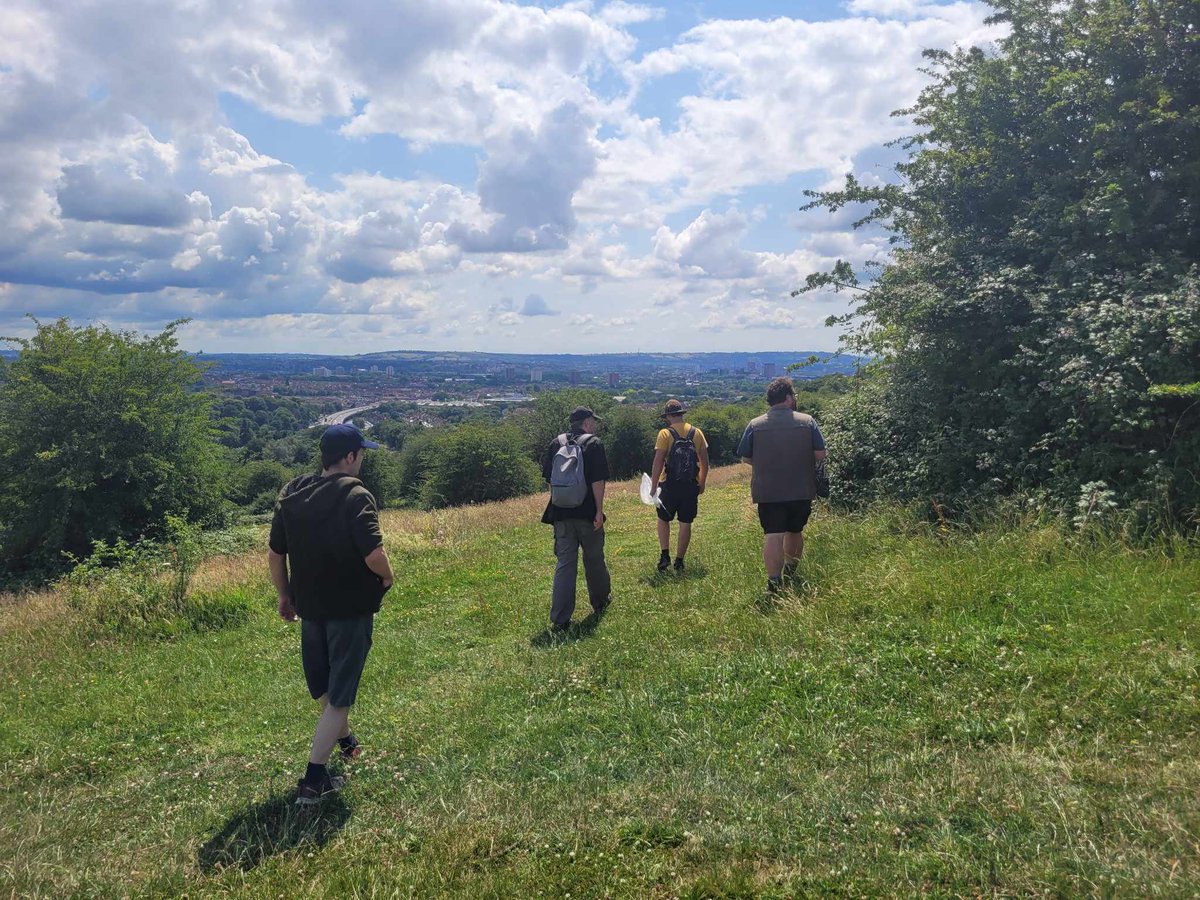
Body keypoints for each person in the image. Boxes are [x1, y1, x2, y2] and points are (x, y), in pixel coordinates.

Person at [268, 423, 395, 805]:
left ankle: (347, 742)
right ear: (351, 456)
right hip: (350, 607)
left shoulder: (293, 491)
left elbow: (276, 554)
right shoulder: (355, 494)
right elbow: (374, 555)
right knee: (340, 694)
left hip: (310, 606)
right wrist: (388, 578)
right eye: (362, 454)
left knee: (323, 686)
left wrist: (284, 595)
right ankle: (313, 780)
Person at [736, 377, 828, 596]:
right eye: (793, 395)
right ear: (788, 398)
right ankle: (791, 570)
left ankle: (774, 582)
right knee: (795, 530)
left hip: (768, 490)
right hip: (800, 488)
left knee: (773, 534)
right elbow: (821, 454)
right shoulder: (807, 422)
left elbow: (746, 457)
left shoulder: (755, 425)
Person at [540, 406, 612, 633]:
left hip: (561, 514)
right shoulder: (594, 444)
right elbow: (598, 482)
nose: (595, 425)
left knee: (565, 565)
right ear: (587, 423)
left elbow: (550, 481)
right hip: (588, 513)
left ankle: (560, 619)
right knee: (594, 559)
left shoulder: (555, 444)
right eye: (593, 421)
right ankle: (600, 602)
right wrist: (599, 511)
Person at [649, 398, 710, 573]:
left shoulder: (664, 434)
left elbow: (658, 461)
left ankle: (664, 554)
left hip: (669, 485)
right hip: (690, 485)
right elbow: (704, 461)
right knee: (685, 522)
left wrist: (653, 486)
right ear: (681, 414)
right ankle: (680, 560)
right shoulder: (697, 432)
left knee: (663, 519)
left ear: (668, 416)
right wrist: (702, 482)